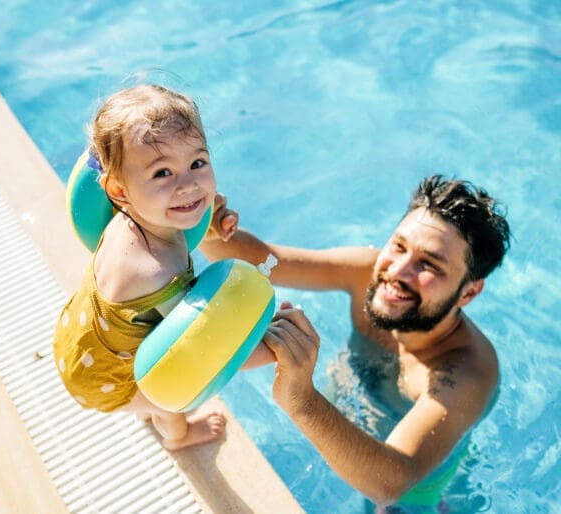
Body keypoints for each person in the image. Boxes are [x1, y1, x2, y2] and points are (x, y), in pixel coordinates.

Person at [201, 175, 510, 508]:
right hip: (346, 418)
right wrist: (206, 226)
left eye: (429, 264)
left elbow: (393, 481)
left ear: (469, 291)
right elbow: (263, 260)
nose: (397, 272)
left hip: (416, 490)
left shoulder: (465, 372)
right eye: (399, 246)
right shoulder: (367, 271)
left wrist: (300, 398)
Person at [52, 84, 272, 450]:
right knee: (167, 403)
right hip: (106, 379)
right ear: (119, 190)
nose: (188, 185)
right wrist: (273, 345)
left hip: (76, 341)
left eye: (197, 163)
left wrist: (212, 222)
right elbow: (202, 347)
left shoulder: (125, 217)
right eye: (162, 174)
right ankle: (178, 439)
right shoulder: (156, 272)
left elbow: (180, 221)